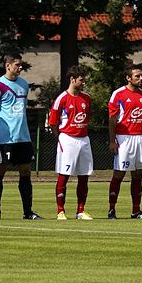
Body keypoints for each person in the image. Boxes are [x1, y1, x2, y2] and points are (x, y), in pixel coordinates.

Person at [0, 53, 42, 220]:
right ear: (8, 65)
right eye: (17, 64)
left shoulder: (23, 84)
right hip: (4, 139)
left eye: (21, 65)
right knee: (0, 170)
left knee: (26, 172)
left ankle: (28, 212)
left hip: (22, 137)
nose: (20, 67)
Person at [107, 64, 142, 219]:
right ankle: (111, 210)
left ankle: (136, 211)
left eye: (141, 75)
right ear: (128, 78)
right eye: (137, 76)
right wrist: (112, 141)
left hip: (141, 138)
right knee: (119, 174)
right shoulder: (118, 94)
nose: (141, 78)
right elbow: (112, 120)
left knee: (138, 175)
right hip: (124, 138)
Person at [50, 66, 93, 220]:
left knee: (84, 175)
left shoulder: (87, 98)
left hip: (84, 139)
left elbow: (87, 117)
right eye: (81, 80)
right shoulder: (61, 98)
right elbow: (53, 122)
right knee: (64, 174)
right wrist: (60, 138)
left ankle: (80, 211)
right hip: (67, 139)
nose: (83, 82)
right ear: (72, 79)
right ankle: (60, 210)